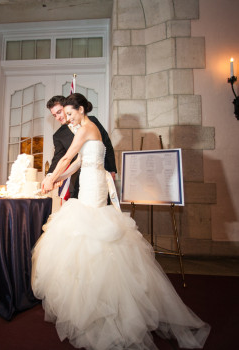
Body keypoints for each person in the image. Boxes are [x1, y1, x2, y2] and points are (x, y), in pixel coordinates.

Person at [32, 93, 210, 350]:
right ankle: (94, 298)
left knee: (91, 237)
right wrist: (60, 179)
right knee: (91, 235)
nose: (67, 119)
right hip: (91, 185)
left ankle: (102, 304)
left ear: (81, 110)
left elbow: (66, 158)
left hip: (93, 189)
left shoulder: (88, 127)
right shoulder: (85, 128)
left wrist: (50, 178)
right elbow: (79, 162)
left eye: (69, 114)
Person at [44, 95, 117, 199]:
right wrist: (53, 177)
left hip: (97, 177)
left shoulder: (90, 124)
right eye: (54, 115)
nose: (58, 117)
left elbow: (107, 144)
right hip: (78, 179)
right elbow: (63, 158)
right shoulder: (58, 135)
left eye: (59, 112)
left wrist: (111, 169)